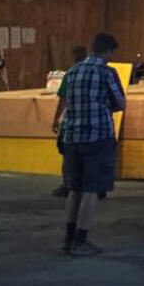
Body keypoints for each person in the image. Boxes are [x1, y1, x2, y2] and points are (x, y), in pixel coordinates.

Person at [54, 33, 125, 256]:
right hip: (97, 136)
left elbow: (65, 100)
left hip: (72, 137)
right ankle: (81, 241)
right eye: (112, 53)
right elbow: (121, 103)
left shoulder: (72, 71)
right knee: (91, 190)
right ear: (107, 51)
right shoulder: (106, 72)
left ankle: (68, 239)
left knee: (74, 189)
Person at [50, 45, 90, 197]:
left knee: (68, 156)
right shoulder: (94, 73)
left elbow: (63, 99)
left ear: (73, 56)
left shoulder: (71, 74)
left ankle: (68, 185)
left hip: (72, 123)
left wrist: (55, 119)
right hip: (90, 123)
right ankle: (88, 186)